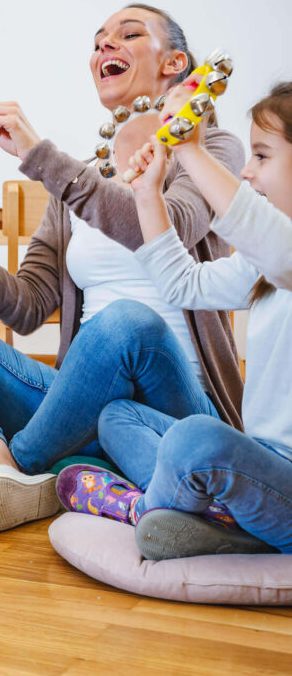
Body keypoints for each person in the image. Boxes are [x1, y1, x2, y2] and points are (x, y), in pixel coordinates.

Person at [0, 3, 245, 532]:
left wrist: (39, 156)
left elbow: (169, 228)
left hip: (175, 406)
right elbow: (27, 309)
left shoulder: (210, 149)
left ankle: (16, 468)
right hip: (78, 404)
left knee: (127, 322)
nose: (105, 46)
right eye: (98, 41)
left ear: (175, 63)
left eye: (128, 34)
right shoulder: (77, 181)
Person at [58, 80, 292, 559]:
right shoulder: (264, 267)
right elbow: (183, 284)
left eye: (262, 155)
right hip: (261, 468)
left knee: (196, 438)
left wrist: (190, 149)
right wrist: (148, 195)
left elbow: (272, 242)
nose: (246, 171)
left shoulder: (279, 255)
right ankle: (214, 516)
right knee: (117, 415)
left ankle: (145, 508)